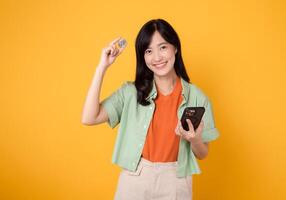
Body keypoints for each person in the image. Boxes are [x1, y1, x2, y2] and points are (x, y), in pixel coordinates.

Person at [81, 18, 220, 200]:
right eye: (148, 51)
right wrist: (102, 67)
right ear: (143, 56)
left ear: (175, 48)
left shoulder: (197, 98)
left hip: (176, 180)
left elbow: (203, 154)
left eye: (163, 47)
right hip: (135, 177)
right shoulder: (131, 92)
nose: (157, 57)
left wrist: (194, 139)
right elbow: (89, 118)